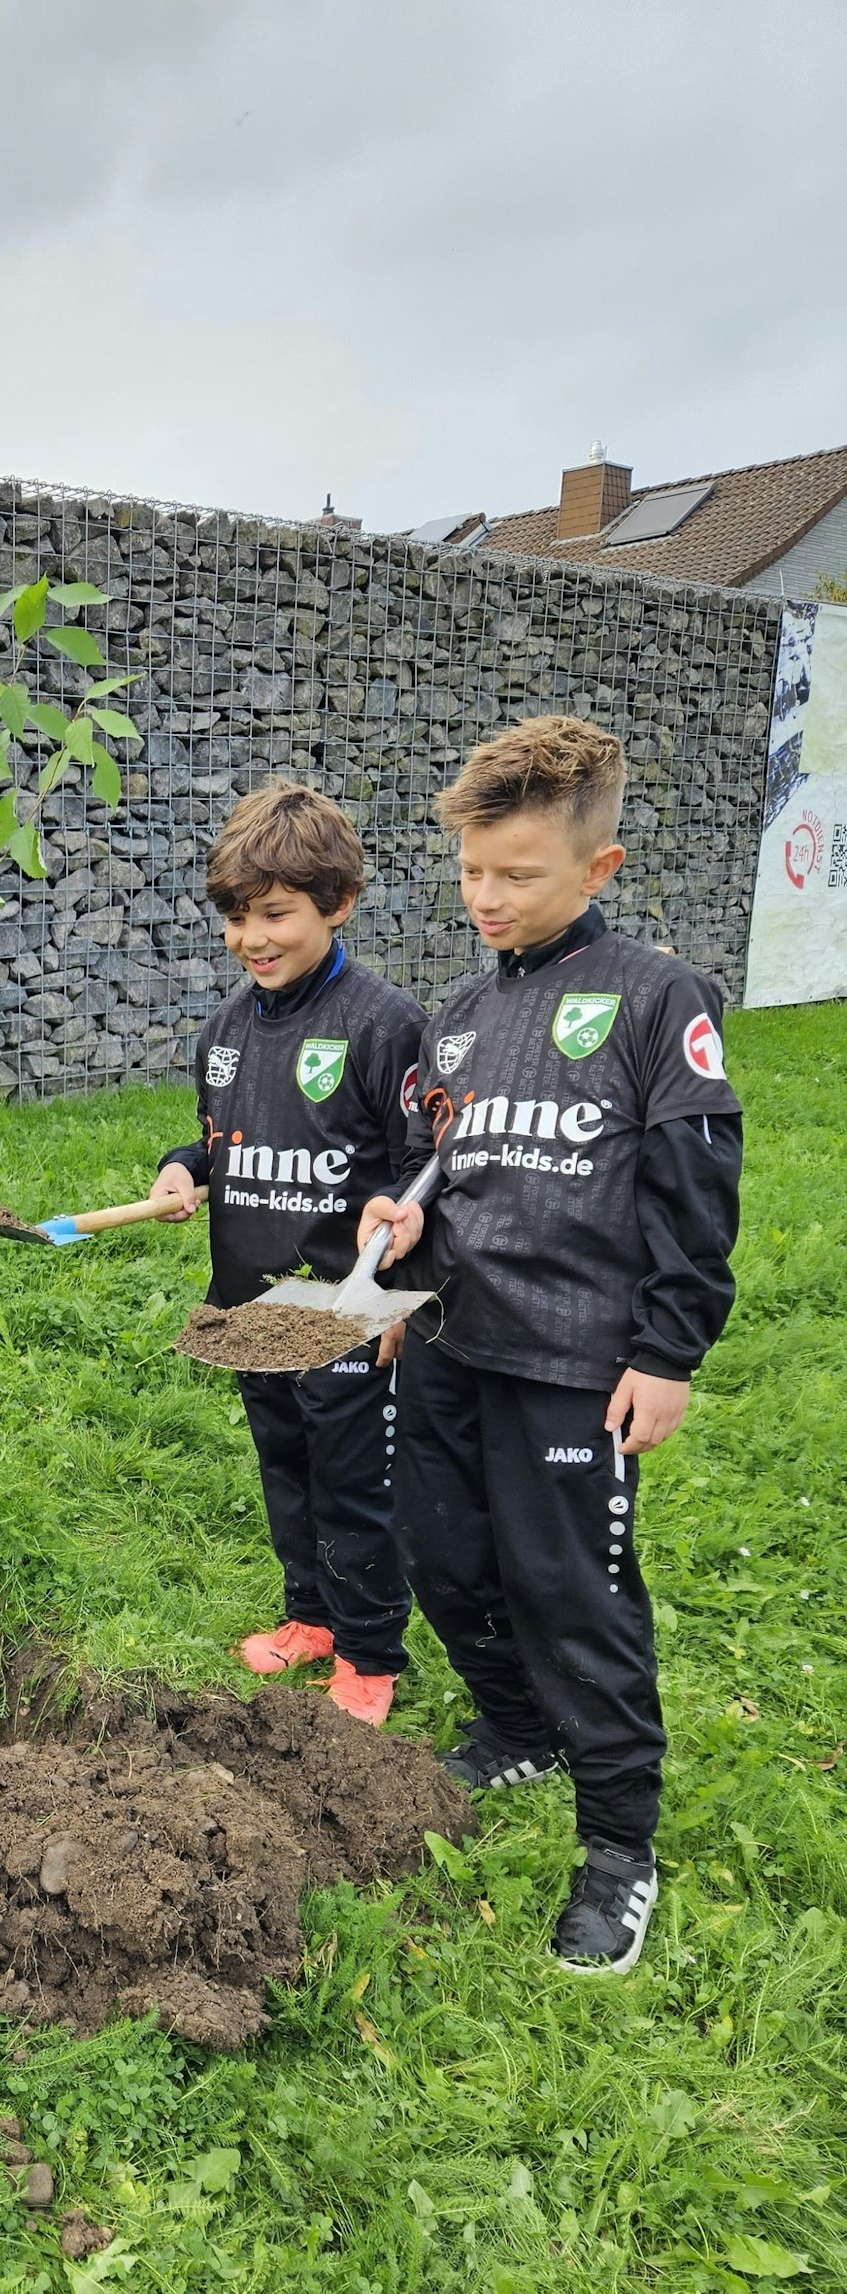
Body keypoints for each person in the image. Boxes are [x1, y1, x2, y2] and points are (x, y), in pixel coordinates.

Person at [359, 715, 742, 1974]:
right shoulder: (458, 1012)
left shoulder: (654, 997)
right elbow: (447, 1155)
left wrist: (667, 1352)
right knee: (441, 1559)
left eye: (514, 874)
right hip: (450, 1345)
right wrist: (404, 1211)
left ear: (597, 867)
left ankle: (618, 1848)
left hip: (578, 1365)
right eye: (470, 870)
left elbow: (694, 1191)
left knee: (573, 1596)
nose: (483, 896)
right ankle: (514, 1724)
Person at [149, 782, 425, 1723]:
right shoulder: (223, 1032)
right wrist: (183, 1169)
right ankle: (308, 1618)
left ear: (339, 903)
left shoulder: (384, 1025)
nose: (252, 939)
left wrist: (398, 1296)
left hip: (342, 1313)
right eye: (236, 918)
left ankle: (372, 1650)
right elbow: (219, 1139)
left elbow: (422, 1170)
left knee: (354, 1483)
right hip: (249, 1309)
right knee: (286, 1467)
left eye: (275, 915)